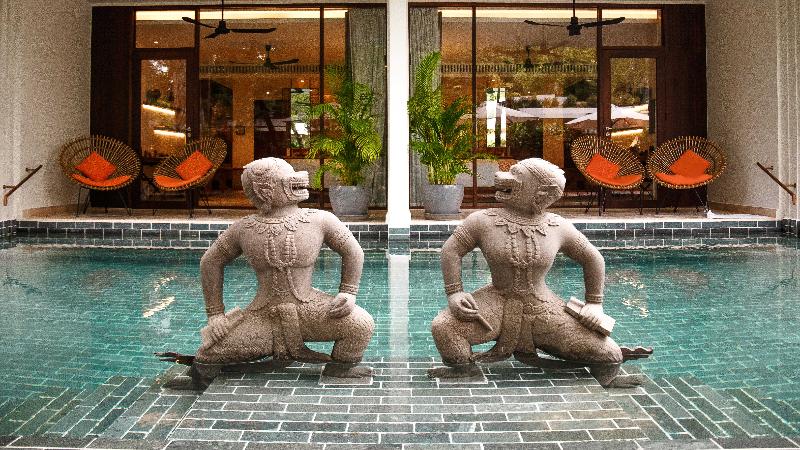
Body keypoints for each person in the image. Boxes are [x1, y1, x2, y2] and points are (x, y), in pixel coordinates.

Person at [429, 158, 643, 387]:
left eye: (515, 175)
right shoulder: (482, 221)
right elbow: (451, 250)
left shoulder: (558, 226)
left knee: (609, 353)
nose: (502, 177)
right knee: (444, 327)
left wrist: (594, 303)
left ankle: (606, 377)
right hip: (496, 302)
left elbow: (593, 258)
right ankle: (464, 370)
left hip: (542, 308)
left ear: (539, 193)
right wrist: (455, 292)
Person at [191, 157, 374, 380]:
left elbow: (353, 251)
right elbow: (210, 262)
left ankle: (341, 368)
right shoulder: (244, 229)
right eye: (286, 180)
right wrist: (215, 314)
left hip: (309, 310)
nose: (296, 181)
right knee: (207, 354)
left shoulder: (320, 220)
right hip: (264, 317)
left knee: (361, 324)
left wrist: (348, 292)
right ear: (264, 191)